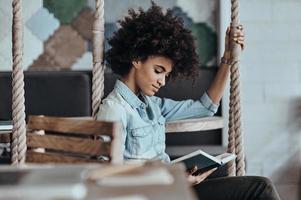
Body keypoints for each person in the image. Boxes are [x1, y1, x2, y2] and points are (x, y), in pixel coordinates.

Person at [97, 2, 281, 200]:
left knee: (260, 187)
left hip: (173, 189)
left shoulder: (154, 105)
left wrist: (227, 58)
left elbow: (205, 107)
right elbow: (108, 179)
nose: (162, 81)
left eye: (166, 74)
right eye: (158, 71)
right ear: (136, 59)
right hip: (152, 195)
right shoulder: (114, 110)